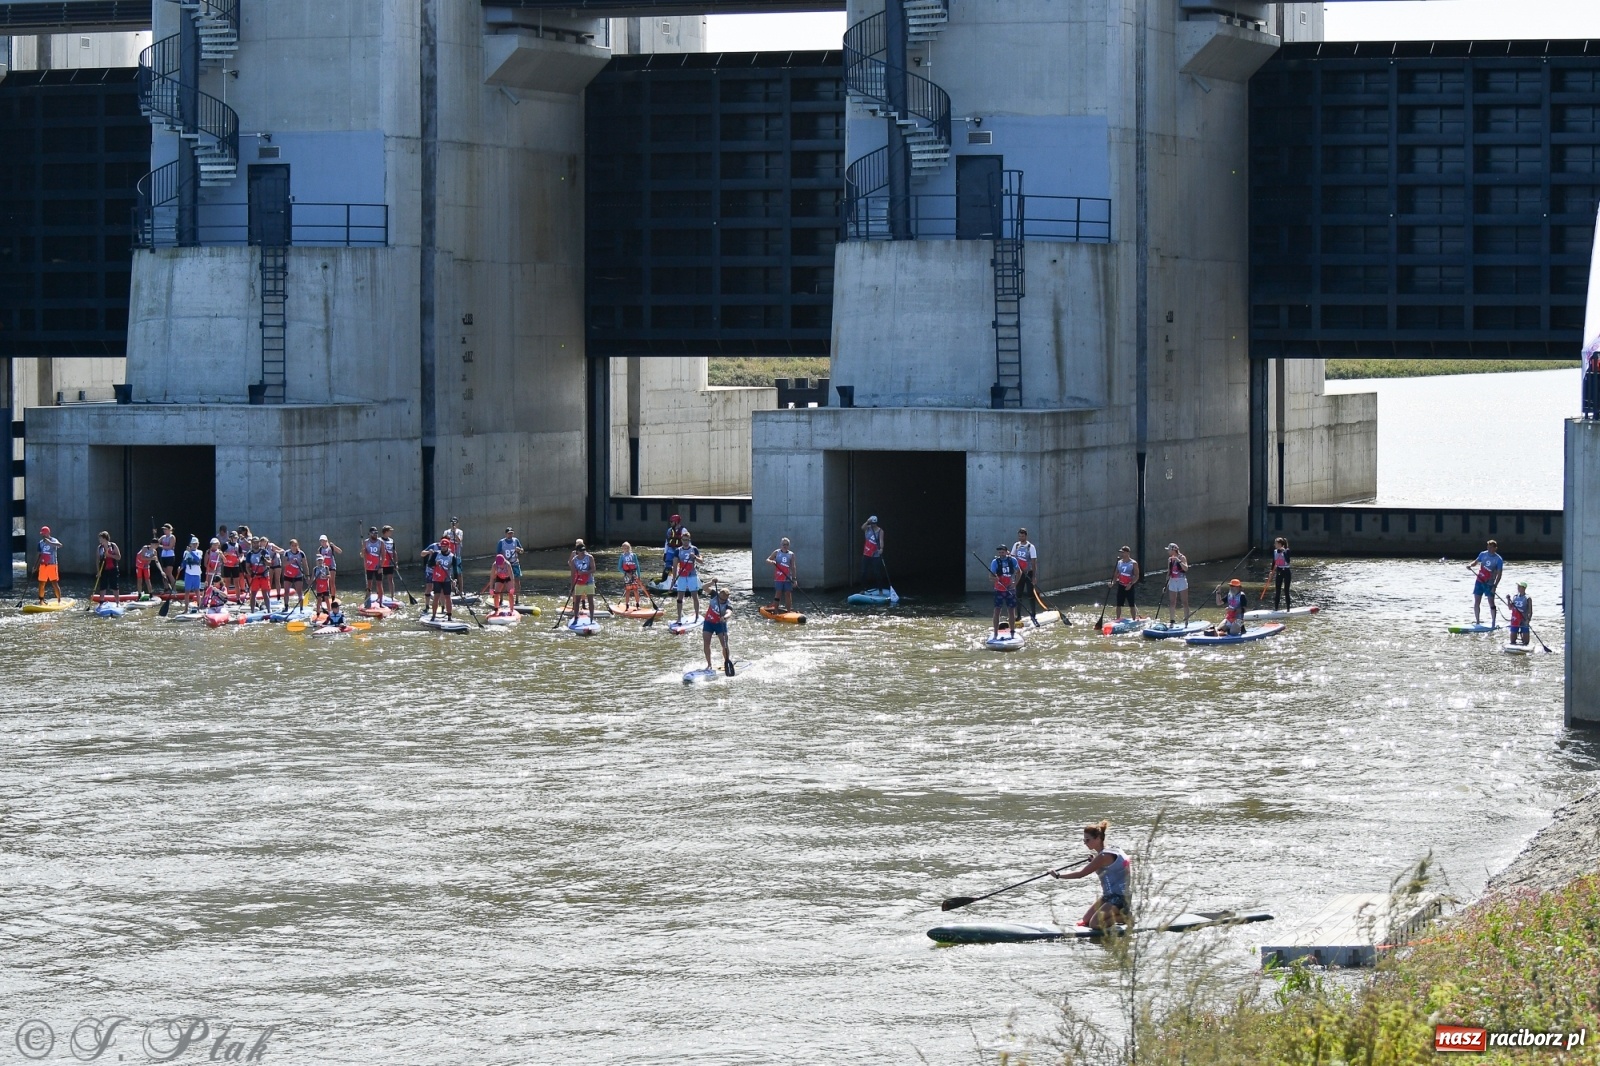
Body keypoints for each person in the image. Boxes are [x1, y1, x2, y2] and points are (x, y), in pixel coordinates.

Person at [1047, 820, 1132, 929]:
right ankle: (1116, 915)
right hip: (1108, 896)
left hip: (1120, 898)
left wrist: (1058, 875)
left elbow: (1081, 874)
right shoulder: (1108, 852)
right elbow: (1107, 870)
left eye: (1087, 840)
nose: (1085, 843)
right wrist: (1094, 862)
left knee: (1094, 924)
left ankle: (1126, 917)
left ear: (1097, 838)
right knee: (1085, 920)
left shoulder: (1103, 856)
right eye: (1084, 840)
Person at [1471, 539, 1504, 627]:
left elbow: (1499, 574)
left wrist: (1495, 586)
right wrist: (1470, 565)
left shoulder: (1499, 559)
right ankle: (1477, 621)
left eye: (1491, 547)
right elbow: (1475, 562)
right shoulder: (1483, 554)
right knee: (1477, 601)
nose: (1489, 549)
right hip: (1479, 581)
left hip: (1489, 583)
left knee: (1491, 602)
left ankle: (1493, 622)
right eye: (1488, 547)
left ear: (1495, 548)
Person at [989, 544, 1020, 638]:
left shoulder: (1012, 560)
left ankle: (1012, 632)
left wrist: (1015, 584)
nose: (1001, 554)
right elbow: (990, 577)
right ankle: (995, 633)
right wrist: (995, 579)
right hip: (999, 589)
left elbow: (1019, 572)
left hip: (1010, 589)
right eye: (999, 553)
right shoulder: (995, 562)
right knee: (997, 610)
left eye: (1003, 552)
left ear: (1007, 552)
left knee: (1011, 611)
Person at [673, 531, 704, 622]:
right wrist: (673, 580)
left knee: (694, 596)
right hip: (682, 576)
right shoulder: (678, 551)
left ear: (689, 540)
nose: (685, 542)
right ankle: (679, 617)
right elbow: (674, 566)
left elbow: (701, 561)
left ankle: (697, 616)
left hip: (692, 576)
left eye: (687, 540)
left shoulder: (694, 549)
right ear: (681, 540)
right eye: (684, 540)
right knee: (679, 597)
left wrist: (694, 557)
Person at [1011, 528, 1039, 625]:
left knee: (1030, 594)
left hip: (1029, 573)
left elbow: (1034, 562)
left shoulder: (1031, 547)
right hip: (1019, 574)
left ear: (1026, 536)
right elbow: (1012, 557)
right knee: (1018, 594)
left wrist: (1034, 577)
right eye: (1019, 536)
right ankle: (1018, 615)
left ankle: (1033, 614)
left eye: (1022, 536)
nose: (1021, 538)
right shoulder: (1016, 545)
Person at [422, 540, 455, 621]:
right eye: (442, 546)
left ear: (448, 546)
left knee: (448, 597)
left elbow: (455, 569)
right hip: (437, 578)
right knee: (436, 596)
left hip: (447, 579)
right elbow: (429, 564)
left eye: (444, 546)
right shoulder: (436, 554)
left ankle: (449, 616)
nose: (443, 547)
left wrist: (454, 580)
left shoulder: (452, 556)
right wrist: (435, 564)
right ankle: (433, 616)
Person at [702, 583, 732, 671]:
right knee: (706, 643)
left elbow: (729, 612)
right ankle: (709, 664)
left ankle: (726, 662)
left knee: (724, 645)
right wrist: (712, 582)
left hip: (720, 624)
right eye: (720, 598)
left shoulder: (728, 603)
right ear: (719, 595)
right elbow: (704, 587)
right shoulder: (714, 594)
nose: (721, 601)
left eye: (723, 599)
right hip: (708, 623)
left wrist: (725, 617)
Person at [766, 537, 797, 611]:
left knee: (788, 594)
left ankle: (788, 611)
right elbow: (767, 559)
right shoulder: (777, 552)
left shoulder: (791, 554)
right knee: (778, 593)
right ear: (781, 545)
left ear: (788, 545)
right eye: (783, 544)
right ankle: (776, 610)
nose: (785, 546)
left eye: (786, 544)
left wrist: (794, 579)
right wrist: (771, 562)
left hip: (787, 577)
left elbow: (793, 567)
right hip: (779, 577)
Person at [35, 526, 63, 603]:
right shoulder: (40, 543)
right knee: (41, 583)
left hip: (52, 565)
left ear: (48, 533)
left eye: (44, 533)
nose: (43, 535)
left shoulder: (54, 540)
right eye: (42, 534)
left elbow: (60, 545)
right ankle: (41, 600)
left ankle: (59, 600)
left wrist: (50, 543)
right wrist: (35, 566)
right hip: (43, 565)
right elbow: (38, 555)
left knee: (54, 583)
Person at [1112, 545, 1140, 621]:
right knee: (1118, 604)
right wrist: (1112, 582)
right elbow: (1116, 575)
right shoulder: (1119, 562)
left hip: (1129, 586)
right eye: (1121, 552)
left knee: (1131, 604)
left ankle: (1134, 620)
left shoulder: (1133, 563)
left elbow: (1137, 576)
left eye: (1123, 552)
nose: (1121, 554)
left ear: (1127, 553)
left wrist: (1130, 584)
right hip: (1121, 585)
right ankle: (1118, 619)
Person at [570, 539, 597, 618]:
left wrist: (584, 572)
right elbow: (572, 574)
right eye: (581, 551)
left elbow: (593, 569)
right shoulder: (574, 560)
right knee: (577, 601)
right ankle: (576, 617)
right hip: (578, 583)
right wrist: (572, 586)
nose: (583, 552)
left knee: (590, 600)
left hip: (589, 582)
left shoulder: (590, 557)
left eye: (584, 551)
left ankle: (591, 617)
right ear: (577, 551)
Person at [496, 527, 523, 605]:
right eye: (509, 533)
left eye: (511, 533)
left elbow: (522, 551)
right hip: (505, 565)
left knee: (517, 581)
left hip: (515, 564)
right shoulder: (501, 542)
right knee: (503, 582)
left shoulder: (516, 540)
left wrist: (519, 550)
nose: (510, 534)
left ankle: (517, 600)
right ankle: (501, 600)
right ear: (506, 534)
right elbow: (498, 555)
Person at [860, 515, 887, 590]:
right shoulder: (867, 528)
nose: (873, 525)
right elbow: (862, 528)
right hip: (866, 553)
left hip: (875, 554)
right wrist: (867, 521)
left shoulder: (880, 531)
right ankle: (863, 588)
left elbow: (881, 541)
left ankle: (880, 589)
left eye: (874, 523)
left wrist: (881, 548)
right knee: (863, 572)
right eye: (871, 523)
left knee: (877, 573)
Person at [1164, 543, 1189, 622]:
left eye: (1169, 550)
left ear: (1173, 550)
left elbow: (1186, 569)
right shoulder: (1169, 559)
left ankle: (1186, 619)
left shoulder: (1182, 557)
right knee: (1172, 602)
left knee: (1184, 602)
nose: (1168, 552)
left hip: (1181, 580)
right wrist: (1165, 585)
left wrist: (1179, 561)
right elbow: (1169, 572)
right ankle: (1172, 620)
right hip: (1172, 581)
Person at [661, 513, 687, 586]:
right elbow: (667, 542)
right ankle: (664, 581)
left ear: (676, 522)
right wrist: (665, 553)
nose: (670, 523)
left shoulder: (683, 530)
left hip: (680, 550)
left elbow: (687, 541)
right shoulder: (669, 531)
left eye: (671, 522)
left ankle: (683, 581)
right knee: (667, 568)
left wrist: (688, 551)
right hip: (670, 550)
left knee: (682, 567)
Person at [361, 527, 386, 605]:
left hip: (377, 566)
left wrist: (381, 566)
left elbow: (383, 555)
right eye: (374, 533)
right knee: (369, 584)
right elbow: (362, 555)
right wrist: (363, 552)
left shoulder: (380, 542)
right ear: (370, 534)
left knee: (379, 584)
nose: (375, 535)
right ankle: (368, 600)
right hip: (369, 566)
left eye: (376, 533)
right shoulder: (366, 542)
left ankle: (381, 602)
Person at [442, 518, 466, 595]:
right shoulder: (446, 532)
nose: (453, 524)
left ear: (457, 524)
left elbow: (459, 540)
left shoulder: (460, 532)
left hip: (457, 555)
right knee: (449, 573)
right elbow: (443, 541)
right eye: (452, 523)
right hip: (448, 556)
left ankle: (461, 590)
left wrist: (454, 532)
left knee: (459, 573)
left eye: (455, 523)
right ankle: (451, 590)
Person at [618, 542, 645, 609]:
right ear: (622, 549)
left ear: (629, 548)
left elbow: (637, 566)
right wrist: (626, 573)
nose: (626, 549)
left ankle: (638, 605)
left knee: (635, 589)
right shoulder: (622, 556)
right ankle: (627, 605)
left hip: (634, 574)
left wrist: (639, 575)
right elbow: (619, 567)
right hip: (626, 574)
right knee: (628, 590)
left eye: (627, 548)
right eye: (624, 548)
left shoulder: (634, 555)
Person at [282, 539, 308, 607]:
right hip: (288, 574)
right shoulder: (287, 553)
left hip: (298, 574)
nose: (294, 547)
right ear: (290, 546)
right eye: (292, 545)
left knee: (299, 591)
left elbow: (305, 565)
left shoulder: (301, 553)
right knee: (286, 591)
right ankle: (286, 606)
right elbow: (284, 564)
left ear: (297, 545)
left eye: (295, 545)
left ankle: (301, 608)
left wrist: (307, 575)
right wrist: (291, 561)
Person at [1506, 581, 1533, 647]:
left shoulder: (1528, 598)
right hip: (1515, 619)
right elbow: (1510, 608)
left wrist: (1528, 620)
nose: (1518, 588)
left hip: (1524, 619)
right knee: (1512, 640)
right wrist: (1508, 600)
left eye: (1520, 586)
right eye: (1518, 586)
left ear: (1524, 588)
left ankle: (1523, 637)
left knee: (1526, 642)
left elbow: (1530, 611)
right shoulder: (1515, 597)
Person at [181, 537, 206, 608]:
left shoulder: (200, 552)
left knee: (197, 591)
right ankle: (186, 609)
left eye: (196, 544)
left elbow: (198, 559)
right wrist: (181, 567)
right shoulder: (186, 552)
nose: (195, 545)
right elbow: (184, 562)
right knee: (187, 592)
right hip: (188, 574)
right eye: (193, 544)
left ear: (198, 544)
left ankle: (199, 607)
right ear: (190, 544)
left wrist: (190, 552)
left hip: (197, 574)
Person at [1270, 536, 1293, 611]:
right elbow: (1274, 562)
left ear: (1280, 544)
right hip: (1279, 571)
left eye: (1276, 543)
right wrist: (1271, 571)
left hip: (1286, 571)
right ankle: (1276, 609)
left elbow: (1288, 560)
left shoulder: (1287, 550)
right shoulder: (1275, 551)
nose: (1275, 545)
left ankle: (1288, 609)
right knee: (1277, 591)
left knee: (1286, 591)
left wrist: (1284, 552)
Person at [316, 534, 342, 600]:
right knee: (324, 582)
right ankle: (324, 597)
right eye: (321, 541)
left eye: (323, 541)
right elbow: (318, 559)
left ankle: (333, 597)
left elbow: (340, 551)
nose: (322, 542)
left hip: (331, 566)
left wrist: (334, 546)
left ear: (326, 540)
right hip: (324, 567)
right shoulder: (320, 549)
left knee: (332, 582)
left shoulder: (331, 547)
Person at [380, 525, 399, 604]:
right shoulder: (379, 540)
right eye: (390, 531)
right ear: (386, 532)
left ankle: (392, 596)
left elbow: (394, 552)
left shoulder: (391, 540)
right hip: (381, 563)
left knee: (390, 580)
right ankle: (380, 596)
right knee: (380, 580)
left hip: (390, 563)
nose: (391, 532)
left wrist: (396, 562)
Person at [157, 523, 178, 590]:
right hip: (163, 556)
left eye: (165, 529)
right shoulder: (163, 537)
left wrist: (160, 546)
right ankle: (166, 588)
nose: (164, 531)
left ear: (169, 530)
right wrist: (154, 535)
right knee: (164, 573)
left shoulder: (172, 537)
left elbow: (170, 547)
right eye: (164, 530)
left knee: (169, 573)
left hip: (170, 556)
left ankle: (174, 589)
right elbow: (156, 542)